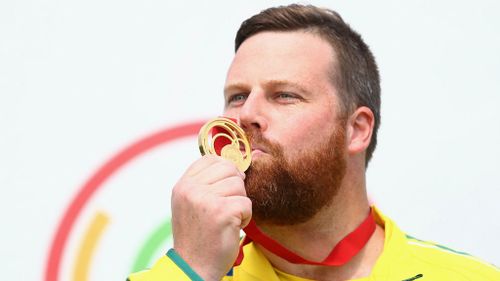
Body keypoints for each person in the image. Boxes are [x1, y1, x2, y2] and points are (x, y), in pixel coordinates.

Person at [128, 4, 500, 281]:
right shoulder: (191, 273)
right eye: (237, 96)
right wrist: (192, 267)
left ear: (356, 130)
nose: (245, 115)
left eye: (285, 95)